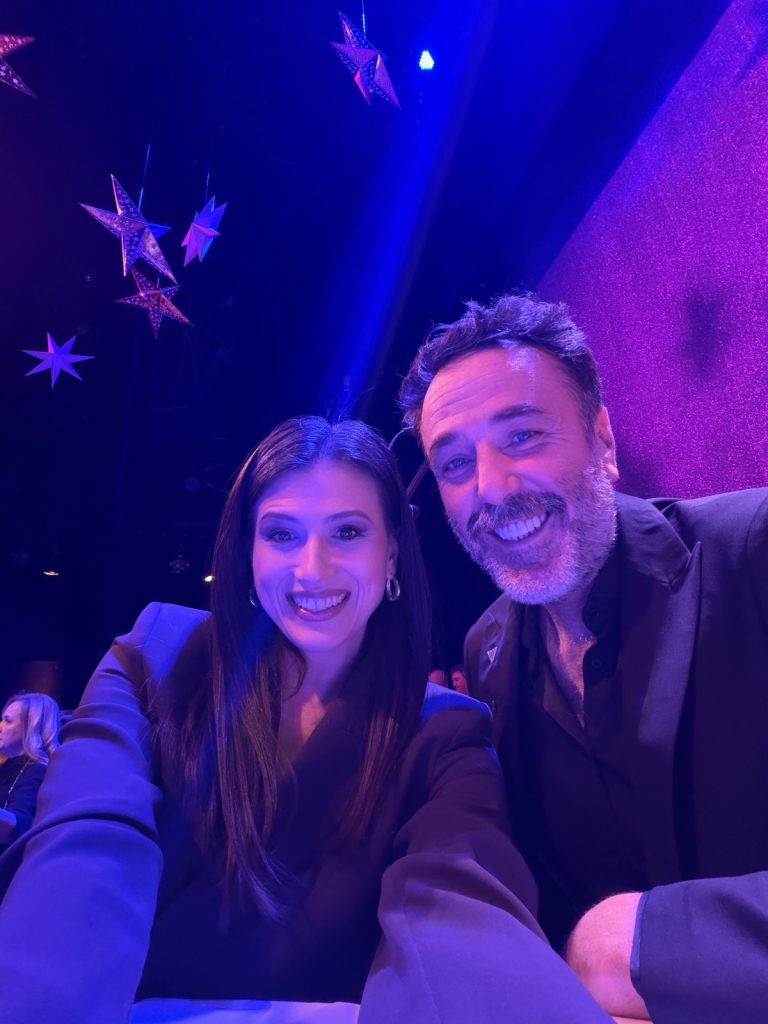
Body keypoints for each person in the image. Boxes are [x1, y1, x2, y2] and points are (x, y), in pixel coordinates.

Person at [0, 416, 611, 1024]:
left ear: (392, 553)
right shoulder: (151, 657)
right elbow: (87, 845)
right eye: (281, 534)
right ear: (248, 550)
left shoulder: (446, 736)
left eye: (347, 531)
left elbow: (462, 914)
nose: (312, 569)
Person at [399, 292, 768, 1024]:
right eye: (455, 463)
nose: (491, 488)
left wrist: (643, 948)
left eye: (523, 435)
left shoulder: (753, 550)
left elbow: (618, 951)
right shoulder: (487, 651)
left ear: (603, 438)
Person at [0, 693, 60, 848]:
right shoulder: (7, 766)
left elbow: (17, 826)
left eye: (8, 721)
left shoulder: (36, 771)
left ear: (31, 727)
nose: (0, 726)